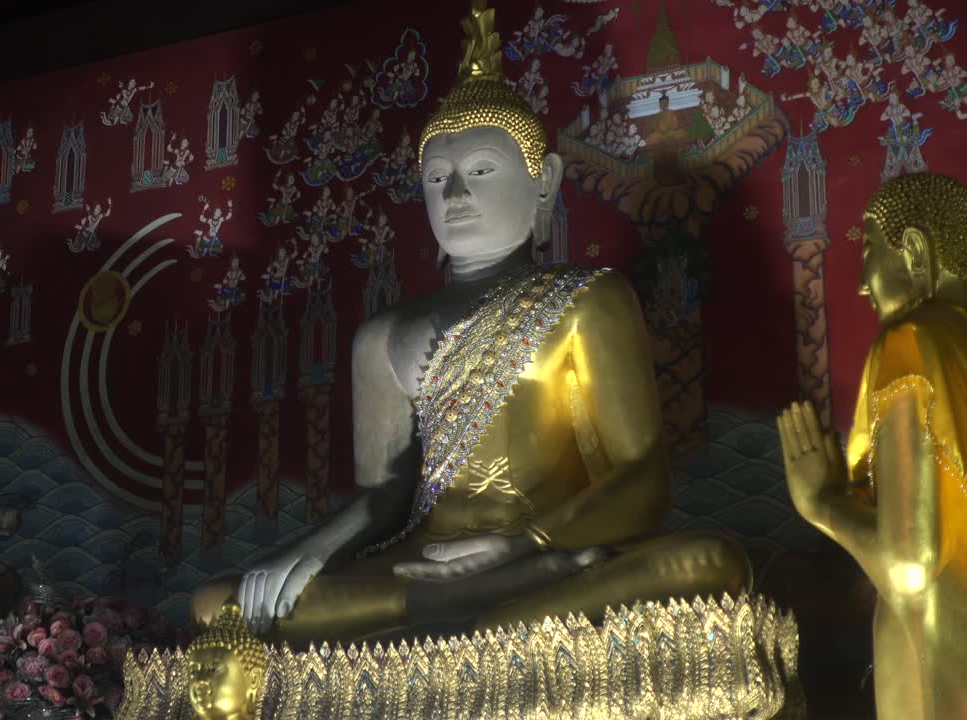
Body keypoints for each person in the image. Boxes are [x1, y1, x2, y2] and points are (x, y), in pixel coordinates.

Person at [192, 0, 748, 646]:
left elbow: (644, 477)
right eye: (437, 177)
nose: (456, 194)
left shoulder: (587, 298)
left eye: (481, 171)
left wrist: (526, 541)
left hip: (541, 545)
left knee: (706, 562)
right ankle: (498, 610)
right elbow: (384, 497)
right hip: (425, 569)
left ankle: (507, 594)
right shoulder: (383, 336)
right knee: (217, 609)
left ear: (543, 183)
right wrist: (310, 551)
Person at [778, 173, 967, 720]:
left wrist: (824, 504)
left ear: (913, 251)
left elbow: (910, 565)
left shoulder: (913, 341)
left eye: (869, 251)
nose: (862, 283)